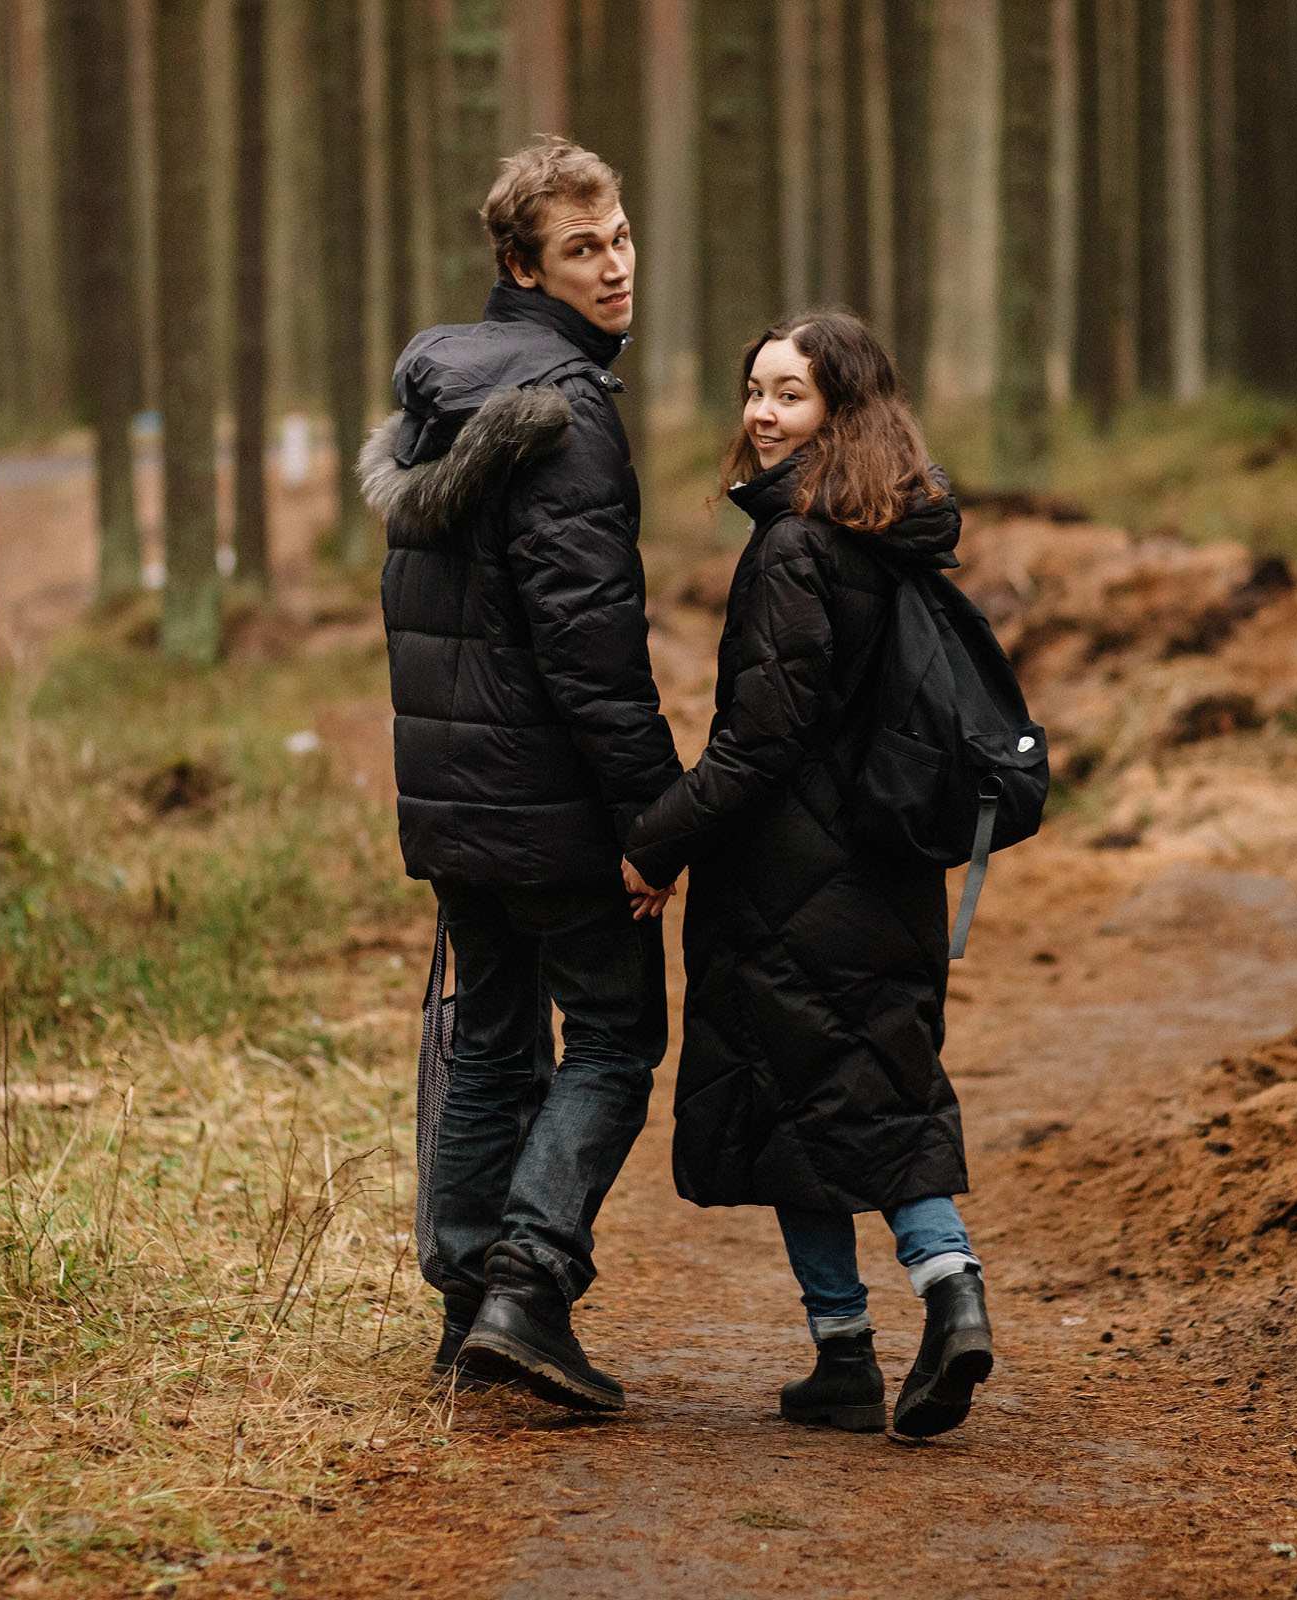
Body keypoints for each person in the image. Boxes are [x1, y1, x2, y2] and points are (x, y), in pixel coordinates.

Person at [619, 312, 995, 1439]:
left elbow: (760, 739)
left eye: (789, 395)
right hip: (887, 867)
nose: (760, 413)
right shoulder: (890, 529)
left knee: (813, 1098)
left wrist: (658, 840)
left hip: (792, 873)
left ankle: (895, 1317)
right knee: (861, 1087)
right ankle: (896, 1322)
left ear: (843, 409)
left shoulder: (796, 545)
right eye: (754, 390)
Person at [358, 137, 680, 1414]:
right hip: (548, 808)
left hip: (451, 804)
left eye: (619, 239)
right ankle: (529, 1289)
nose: (613, 270)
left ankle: (463, 1311)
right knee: (613, 1034)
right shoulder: (570, 417)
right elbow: (593, 648)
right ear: (520, 264)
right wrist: (656, 819)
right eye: (581, 250)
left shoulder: (436, 401)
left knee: (489, 1040)